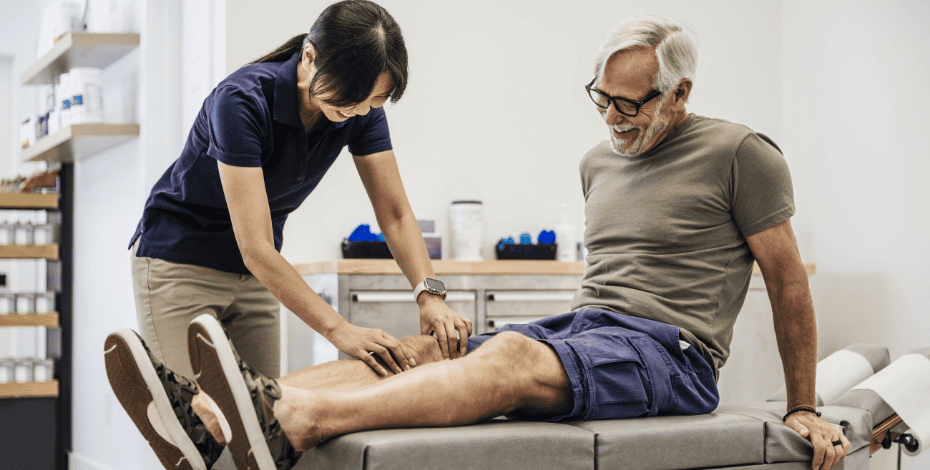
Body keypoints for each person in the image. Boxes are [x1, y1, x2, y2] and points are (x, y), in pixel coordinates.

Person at [107, 14, 850, 470]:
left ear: (680, 94)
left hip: (673, 354)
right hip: (184, 259)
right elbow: (254, 242)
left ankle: (296, 414)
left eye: (631, 105)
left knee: (512, 357)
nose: (613, 120)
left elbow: (788, 282)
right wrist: (401, 322)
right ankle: (224, 412)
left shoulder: (742, 152)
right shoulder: (599, 163)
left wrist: (803, 404)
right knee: (432, 351)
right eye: (602, 100)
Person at [112, 1, 472, 469]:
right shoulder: (240, 101)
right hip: (180, 263)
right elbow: (255, 246)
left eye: (375, 102)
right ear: (309, 57)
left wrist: (429, 294)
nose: (359, 111)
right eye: (350, 97)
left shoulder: (359, 109)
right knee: (202, 444)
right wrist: (338, 328)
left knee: (268, 431)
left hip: (257, 276)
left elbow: (396, 214)